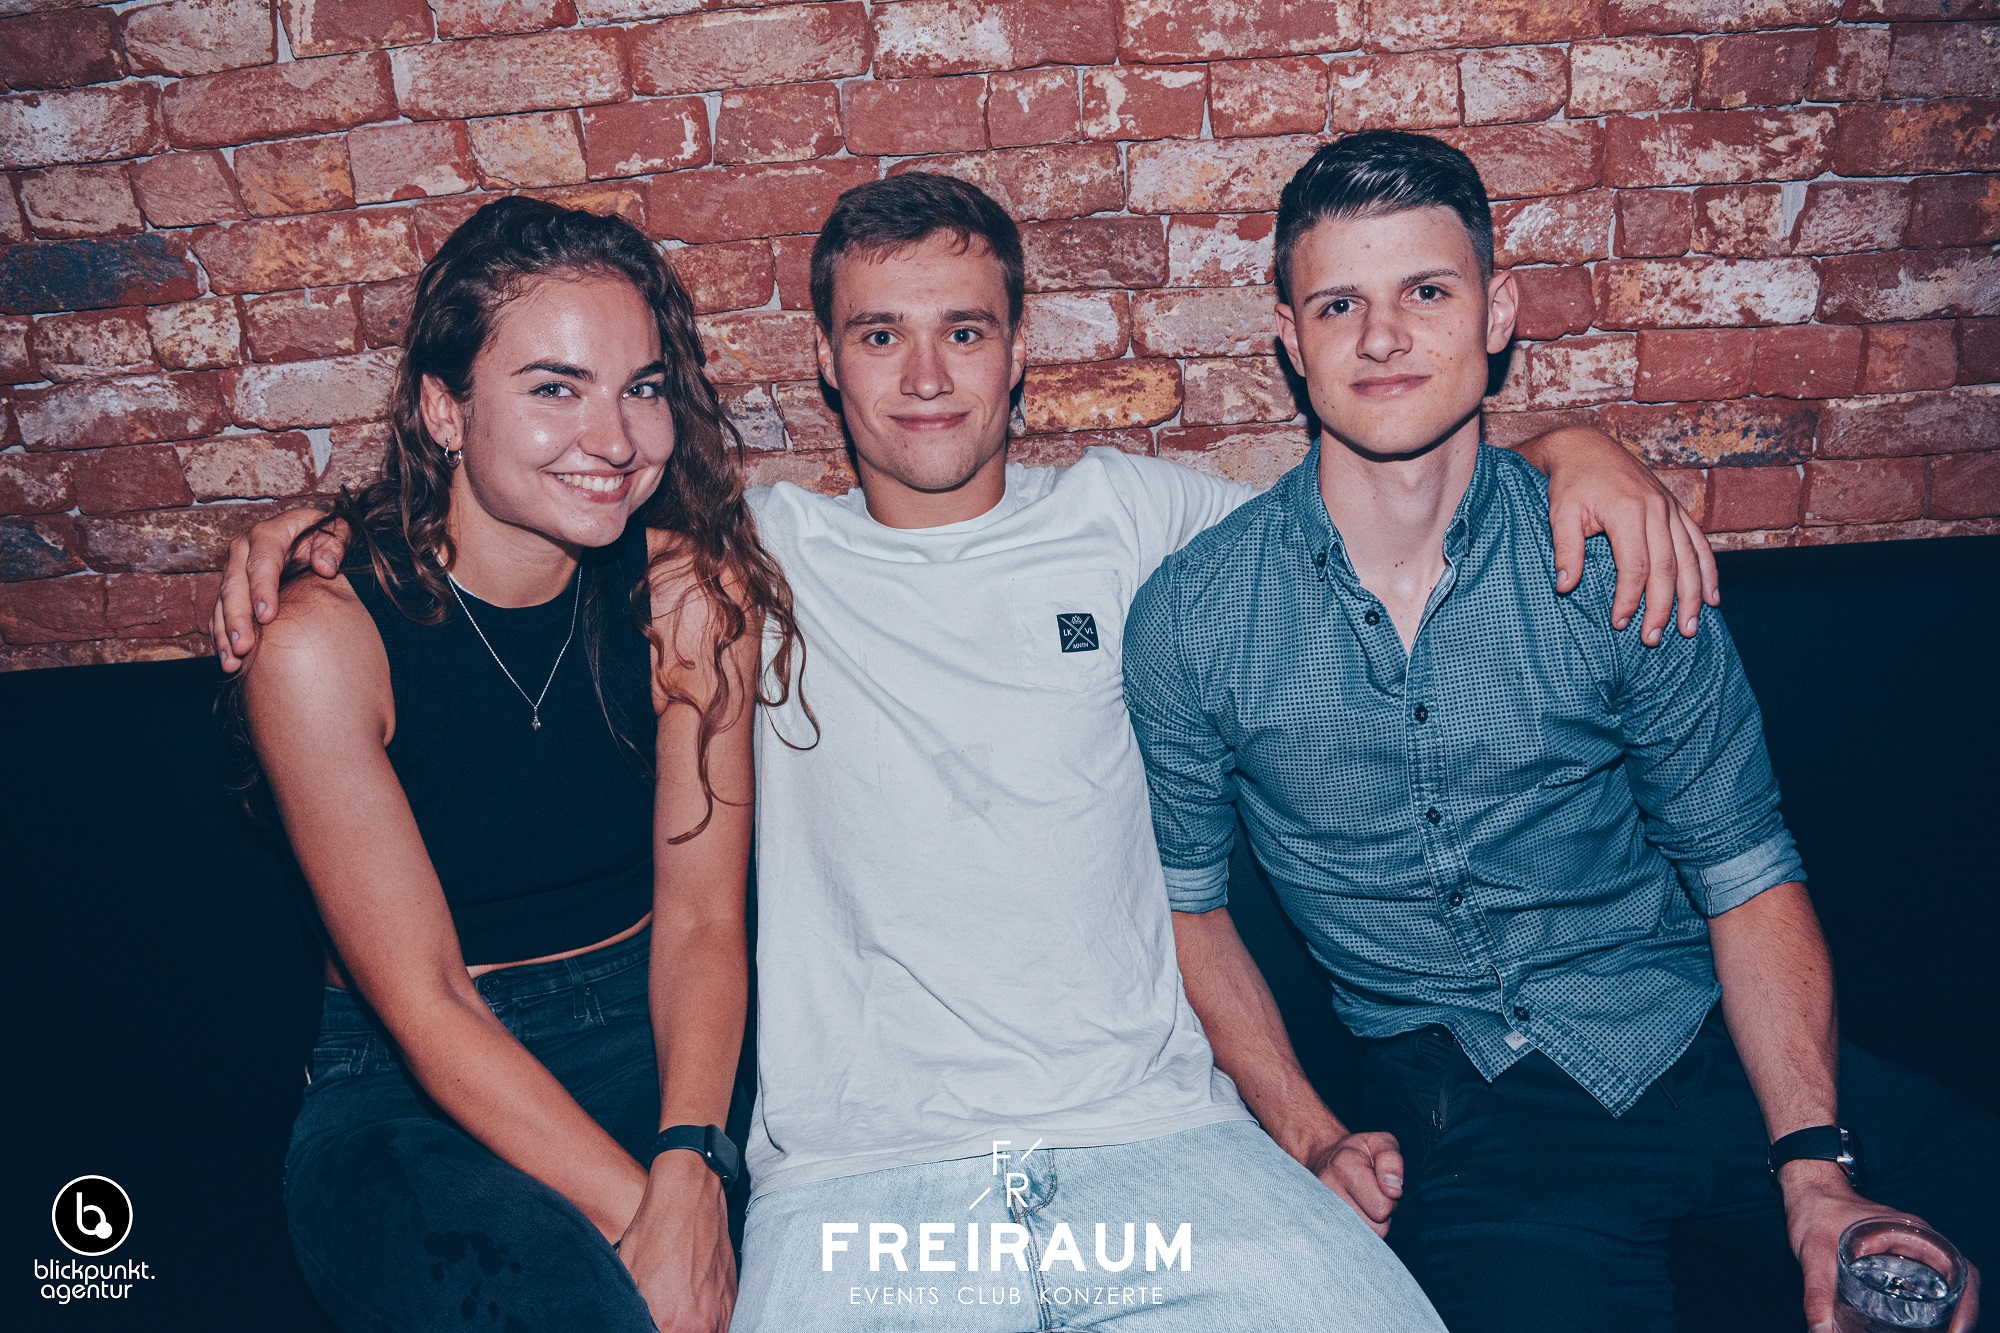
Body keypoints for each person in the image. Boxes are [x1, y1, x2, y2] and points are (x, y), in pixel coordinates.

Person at [215, 173, 1711, 1332]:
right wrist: (316, 531)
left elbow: (1380, 502)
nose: (925, 376)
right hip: (859, 1177)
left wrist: (1563, 452)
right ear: (826, 363)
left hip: (1155, 1138)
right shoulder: (749, 565)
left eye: (965, 331)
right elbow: (490, 541)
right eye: (881, 335)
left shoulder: (1136, 525)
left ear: (1018, 357)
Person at [1123, 130, 1994, 1333]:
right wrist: (1309, 1131)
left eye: (1426, 292)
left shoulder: (1614, 554)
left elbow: (1742, 868)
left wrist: (1809, 1162)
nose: (1381, 337)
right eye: (1338, 304)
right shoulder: (1196, 616)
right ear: (1289, 337)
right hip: (1475, 1110)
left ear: (1496, 314)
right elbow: (1187, 907)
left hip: (1703, 1038)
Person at [232, 197, 803, 1333]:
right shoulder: (322, 646)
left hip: (659, 1038)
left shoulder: (691, 599)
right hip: (413, 1092)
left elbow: (701, 922)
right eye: (555, 388)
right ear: (443, 409)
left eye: (641, 387)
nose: (616, 439)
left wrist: (691, 1162)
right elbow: (428, 1001)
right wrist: (650, 1220)